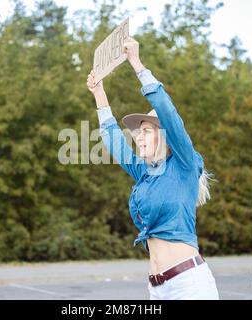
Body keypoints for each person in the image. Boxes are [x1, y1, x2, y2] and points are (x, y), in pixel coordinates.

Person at [86, 36, 219, 300]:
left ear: (167, 138)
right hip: (157, 289)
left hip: (189, 285)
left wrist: (136, 63)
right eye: (138, 132)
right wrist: (99, 93)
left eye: (146, 131)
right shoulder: (145, 173)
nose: (138, 136)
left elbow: (167, 112)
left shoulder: (184, 165)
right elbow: (115, 142)